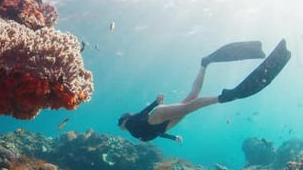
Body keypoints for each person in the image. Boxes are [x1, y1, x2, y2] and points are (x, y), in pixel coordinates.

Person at [118, 39, 291, 142]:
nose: (120, 128)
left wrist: (156, 102)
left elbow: (140, 115)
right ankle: (204, 64)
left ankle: (222, 97)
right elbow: (155, 134)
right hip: (162, 127)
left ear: (124, 121)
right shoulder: (133, 130)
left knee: (189, 107)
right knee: (192, 98)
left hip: (156, 118)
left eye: (121, 124)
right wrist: (173, 138)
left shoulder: (130, 124)